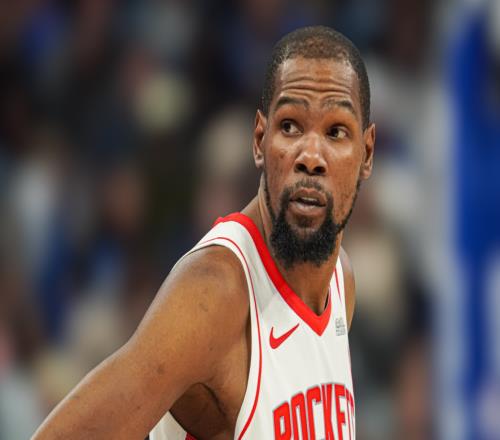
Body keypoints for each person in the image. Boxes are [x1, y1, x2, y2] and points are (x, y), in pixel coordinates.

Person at [32, 25, 375, 440]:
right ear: (259, 140)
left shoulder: (340, 282)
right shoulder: (215, 292)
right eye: (290, 126)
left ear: (367, 153)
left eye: (336, 132)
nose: (311, 156)